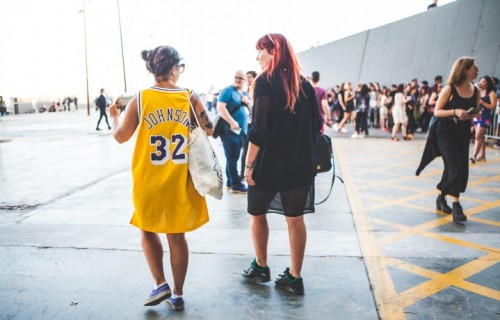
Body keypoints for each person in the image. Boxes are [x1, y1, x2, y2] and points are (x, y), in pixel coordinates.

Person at [108, 45, 213, 311]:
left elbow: (121, 137)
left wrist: (114, 117)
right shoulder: (189, 97)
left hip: (149, 179)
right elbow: (209, 129)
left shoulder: (140, 99)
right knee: (176, 237)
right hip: (181, 179)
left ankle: (159, 282)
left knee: (147, 228)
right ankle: (177, 293)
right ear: (174, 68)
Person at [241, 33, 322, 295]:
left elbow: (259, 130)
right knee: (295, 219)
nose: (257, 57)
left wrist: (248, 164)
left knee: (257, 214)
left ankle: (261, 266)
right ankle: (294, 277)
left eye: (260, 52)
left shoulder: (264, 83)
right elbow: (316, 126)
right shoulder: (305, 85)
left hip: (268, 164)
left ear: (273, 51)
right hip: (299, 165)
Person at [416, 56, 480, 223]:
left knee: (457, 168)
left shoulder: (476, 91)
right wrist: (455, 112)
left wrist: (472, 113)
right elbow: (437, 111)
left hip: (463, 132)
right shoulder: (449, 89)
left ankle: (441, 197)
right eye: (474, 66)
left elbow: (477, 111)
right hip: (445, 131)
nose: (477, 69)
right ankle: (456, 206)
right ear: (465, 70)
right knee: (455, 166)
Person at [216, 70, 252, 193]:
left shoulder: (243, 95)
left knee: (233, 157)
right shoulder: (228, 91)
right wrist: (231, 121)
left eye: (241, 78)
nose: (238, 80)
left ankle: (230, 182)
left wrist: (247, 102)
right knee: (232, 157)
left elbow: (252, 109)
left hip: (240, 132)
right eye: (236, 77)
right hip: (229, 130)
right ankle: (236, 184)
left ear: (245, 81)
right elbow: (220, 107)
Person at [471, 76, 497, 162]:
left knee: (477, 136)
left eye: (483, 81)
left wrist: (483, 103)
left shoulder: (491, 93)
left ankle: (474, 156)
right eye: (480, 81)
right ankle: (483, 156)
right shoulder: (479, 91)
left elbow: (493, 106)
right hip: (477, 114)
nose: (481, 83)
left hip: (485, 115)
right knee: (480, 137)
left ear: (488, 83)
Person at [240, 70, 257, 179]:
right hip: (247, 124)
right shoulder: (244, 91)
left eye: (250, 77)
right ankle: (243, 172)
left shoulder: (257, 90)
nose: (248, 79)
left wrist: (247, 102)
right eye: (247, 77)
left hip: (255, 124)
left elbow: (255, 109)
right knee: (246, 150)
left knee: (252, 150)